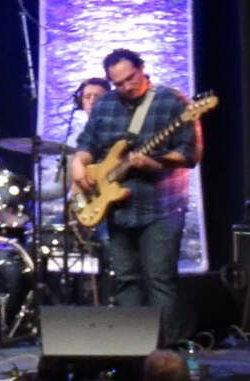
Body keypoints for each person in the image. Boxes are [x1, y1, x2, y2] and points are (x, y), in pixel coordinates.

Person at [71, 49, 203, 346]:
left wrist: (154, 162)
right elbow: (86, 144)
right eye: (118, 83)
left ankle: (168, 354)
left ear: (142, 69)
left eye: (130, 79)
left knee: (160, 278)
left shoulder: (173, 102)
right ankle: (135, 350)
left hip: (161, 206)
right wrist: (79, 163)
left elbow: (189, 154)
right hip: (117, 208)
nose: (126, 87)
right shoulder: (105, 105)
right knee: (127, 279)